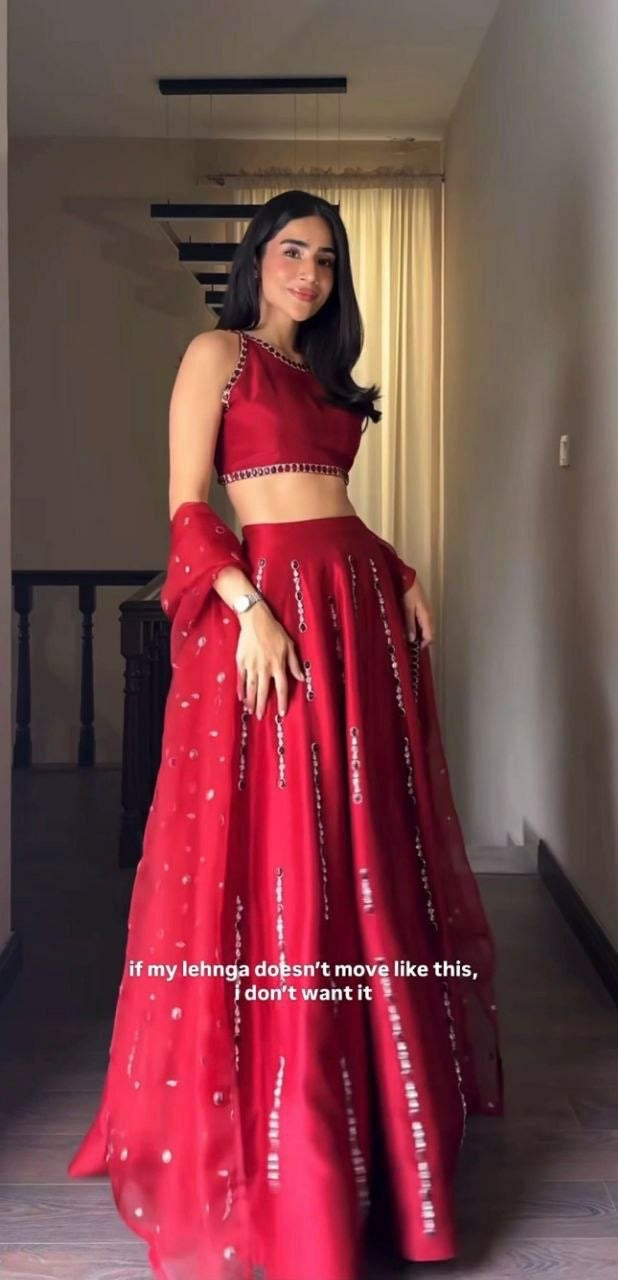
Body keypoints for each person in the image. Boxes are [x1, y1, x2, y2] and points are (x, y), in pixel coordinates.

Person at [67, 189, 504, 1280]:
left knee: (364, 849)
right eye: (292, 251)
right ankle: (293, 1163)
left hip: (357, 611)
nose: (309, 273)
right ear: (258, 258)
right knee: (288, 856)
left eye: (327, 259)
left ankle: (382, 1146)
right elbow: (188, 508)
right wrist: (250, 610)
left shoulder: (326, 381)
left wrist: (399, 570)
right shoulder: (217, 354)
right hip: (274, 617)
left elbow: (329, 501)